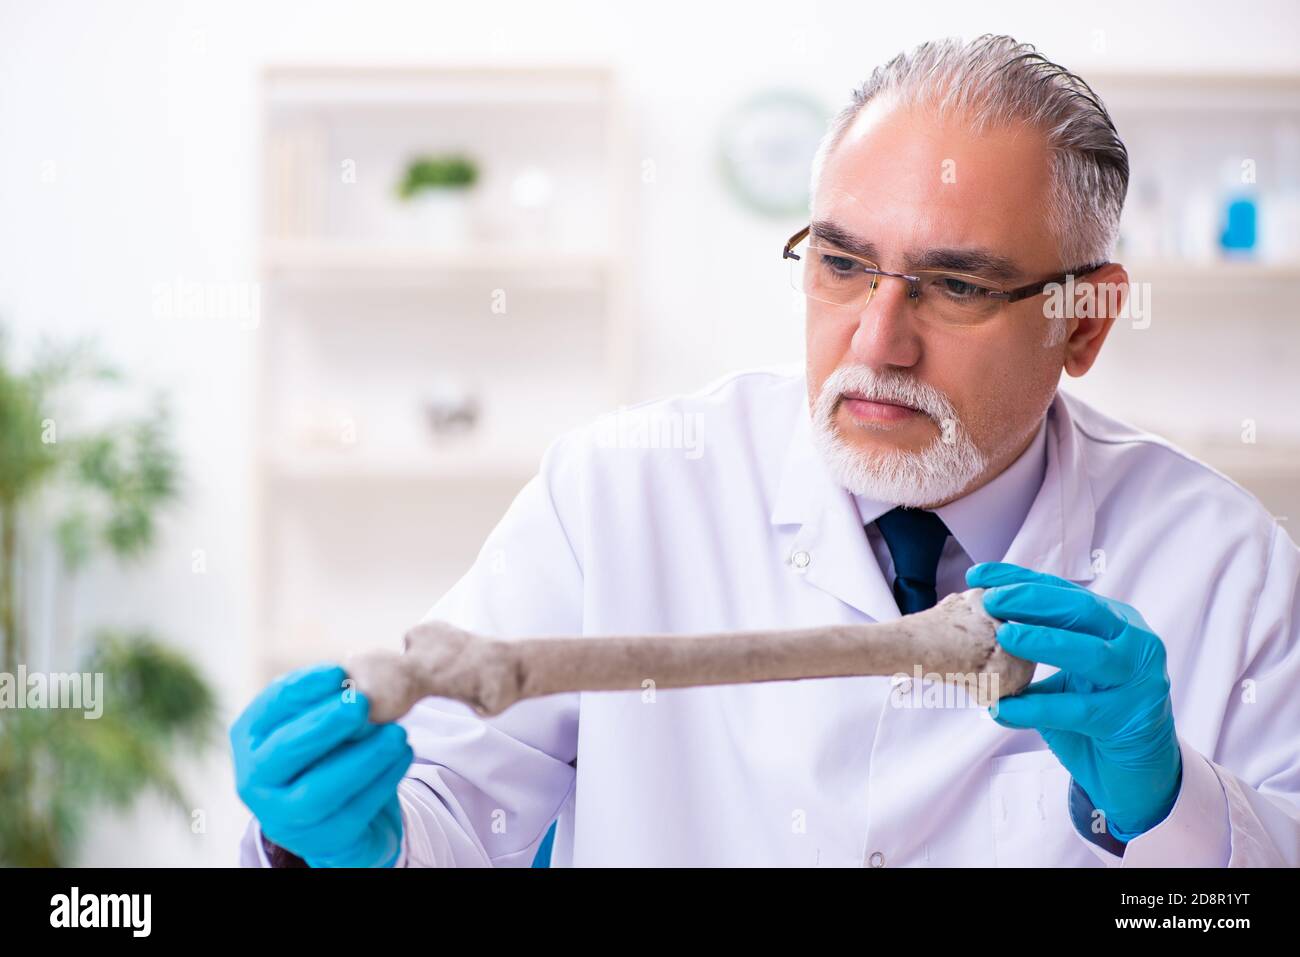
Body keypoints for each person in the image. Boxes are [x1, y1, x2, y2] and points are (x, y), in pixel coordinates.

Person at [231, 34, 1300, 867]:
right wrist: (336, 847)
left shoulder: (1225, 565)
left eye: (958, 286)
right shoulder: (620, 493)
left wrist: (1173, 811)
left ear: (1082, 321)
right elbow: (451, 817)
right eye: (841, 265)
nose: (877, 342)